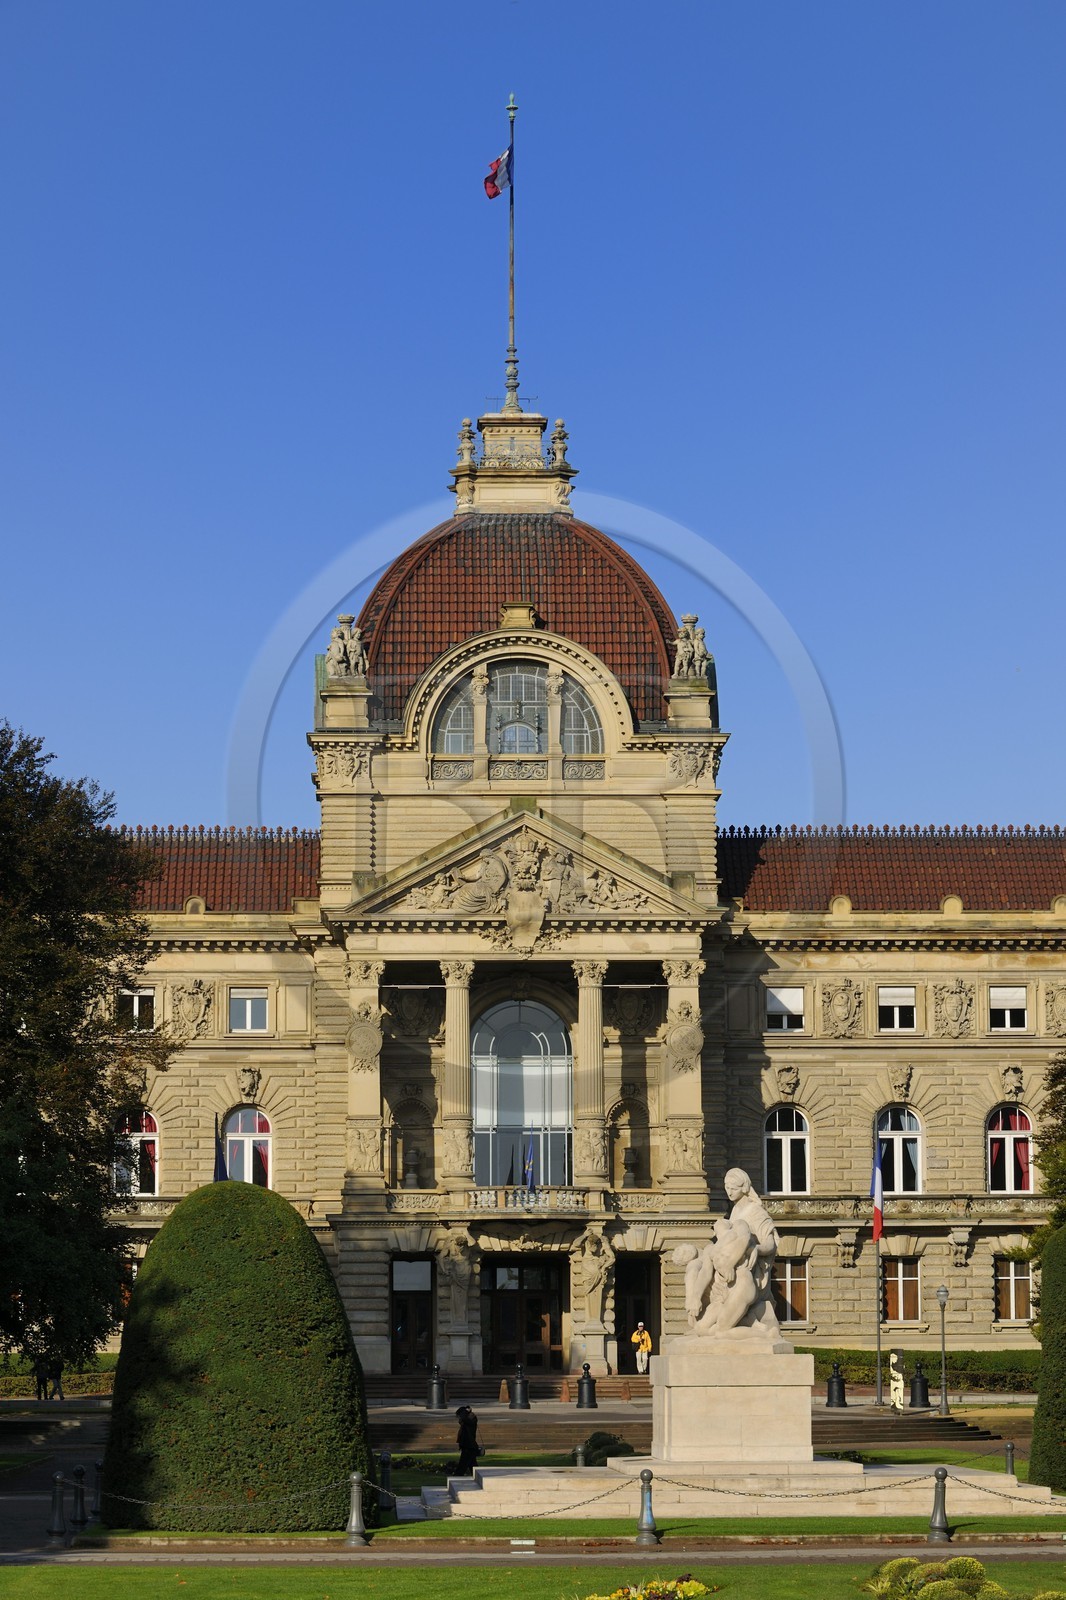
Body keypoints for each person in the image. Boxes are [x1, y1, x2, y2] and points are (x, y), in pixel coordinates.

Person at [455, 1404, 480, 1475]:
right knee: (472, 1464)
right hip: (468, 1446)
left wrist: (465, 1411)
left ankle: (457, 1475)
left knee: (463, 1464)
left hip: (469, 1446)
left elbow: (464, 1418)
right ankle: (478, 1475)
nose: (459, 1418)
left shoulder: (470, 1420)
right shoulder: (467, 1422)